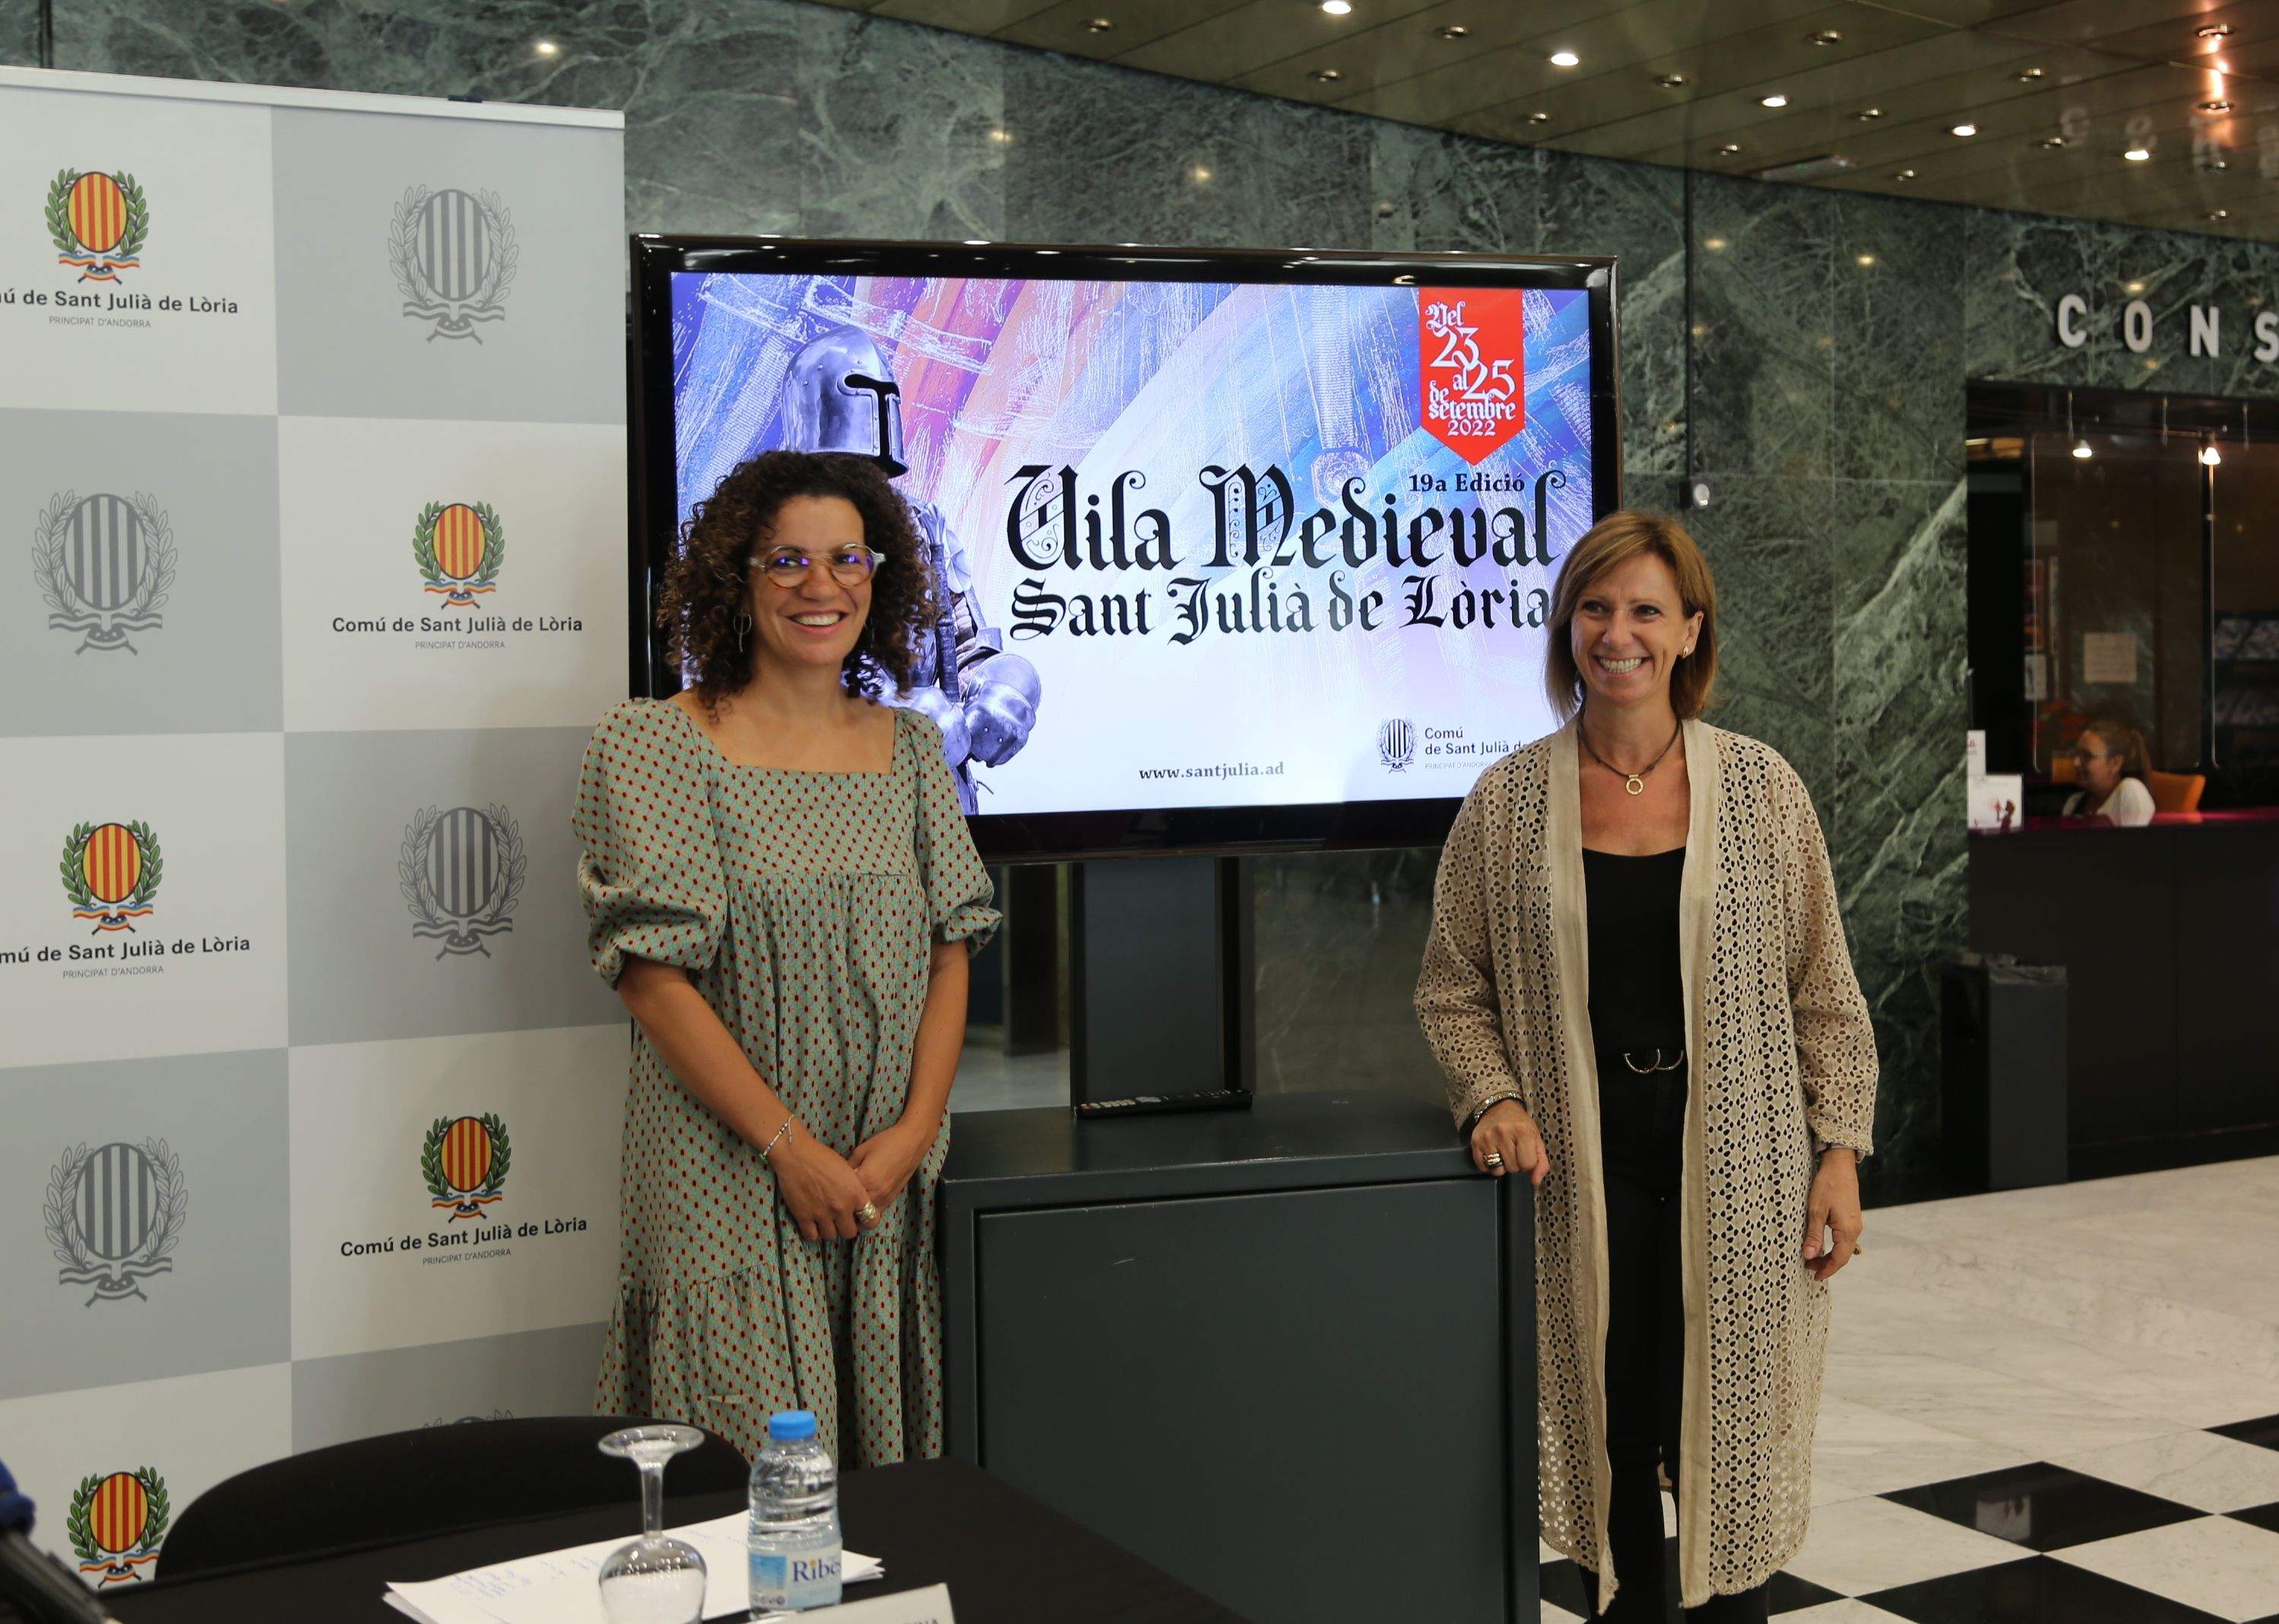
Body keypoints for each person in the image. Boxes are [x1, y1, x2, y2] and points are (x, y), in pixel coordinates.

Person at [1415, 510, 1878, 1621]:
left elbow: (1826, 993)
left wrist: (1840, 1151)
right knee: (1610, 1436)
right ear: (1567, 625)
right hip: (1579, 1169)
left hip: (1744, 1166)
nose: (1615, 632)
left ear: (1687, 632)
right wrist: (1495, 1095)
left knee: (1724, 1435)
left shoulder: (1763, 791)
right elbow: (1449, 985)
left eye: (1643, 611)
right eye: (1594, 607)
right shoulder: (1508, 800)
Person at [573, 449, 999, 1466]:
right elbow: (649, 975)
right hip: (726, 1172)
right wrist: (787, 1149)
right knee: (742, 1485)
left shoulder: (910, 750)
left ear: (881, 576)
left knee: (872, 1499)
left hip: (876, 1179)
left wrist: (908, 1136)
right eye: (786, 561)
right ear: (735, 579)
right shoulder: (654, 743)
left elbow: (953, 950)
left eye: (848, 557)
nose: (822, 586)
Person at [778, 323, 1042, 812]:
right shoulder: (770, 541)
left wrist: (1005, 684)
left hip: (938, 809)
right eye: (845, 462)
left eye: (871, 464)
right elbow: (757, 679)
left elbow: (963, 644)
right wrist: (890, 714)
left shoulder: (924, 527)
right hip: (821, 810)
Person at [2063, 721, 2155, 827]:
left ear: (2115, 763)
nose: (2076, 762)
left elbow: (2135, 842)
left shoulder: (2130, 791)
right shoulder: (2073, 803)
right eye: (2076, 754)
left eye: (2086, 756)